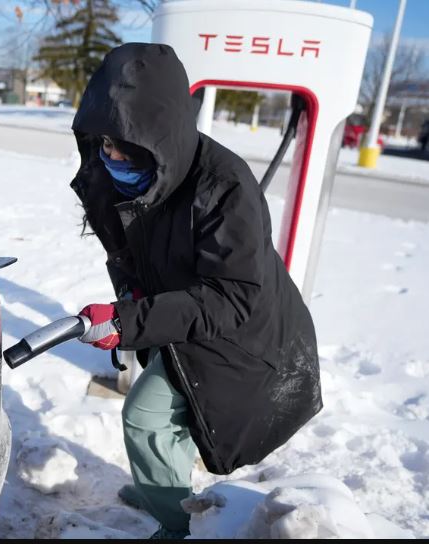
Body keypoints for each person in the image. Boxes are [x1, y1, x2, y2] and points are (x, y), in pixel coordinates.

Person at [70, 43, 322, 539]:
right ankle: (164, 486)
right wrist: (132, 306)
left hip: (244, 338)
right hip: (183, 317)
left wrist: (127, 323)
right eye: (105, 143)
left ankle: (181, 527)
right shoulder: (127, 178)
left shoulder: (224, 187)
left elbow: (234, 297)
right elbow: (131, 254)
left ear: (158, 135)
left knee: (146, 418)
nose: (111, 156)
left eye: (125, 146)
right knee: (167, 415)